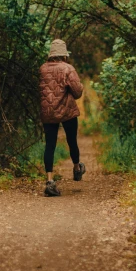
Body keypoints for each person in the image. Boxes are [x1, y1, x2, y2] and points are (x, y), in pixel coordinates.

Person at [39, 39, 86, 197]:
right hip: (67, 111)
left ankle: (50, 181)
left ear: (51, 54)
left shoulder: (43, 69)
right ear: (63, 54)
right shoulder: (68, 68)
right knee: (71, 140)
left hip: (48, 112)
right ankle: (76, 168)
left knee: (50, 145)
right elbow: (77, 92)